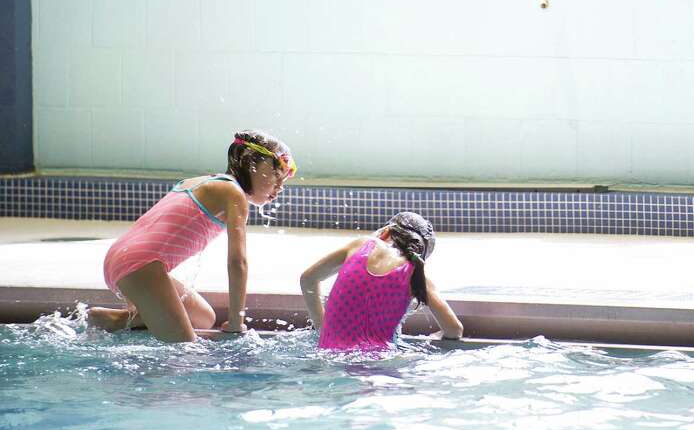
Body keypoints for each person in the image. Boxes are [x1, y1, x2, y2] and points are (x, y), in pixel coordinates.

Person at [87, 130, 296, 343]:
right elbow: (237, 261)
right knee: (185, 350)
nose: (280, 187)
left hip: (121, 257)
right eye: (276, 176)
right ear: (252, 166)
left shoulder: (201, 182)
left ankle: (112, 320)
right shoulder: (233, 194)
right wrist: (236, 321)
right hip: (140, 265)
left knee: (203, 318)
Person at [300, 211, 462, 350]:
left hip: (329, 353)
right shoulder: (415, 273)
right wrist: (438, 335)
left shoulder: (362, 244)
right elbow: (454, 330)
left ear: (385, 232)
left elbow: (308, 279)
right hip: (380, 364)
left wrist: (322, 326)